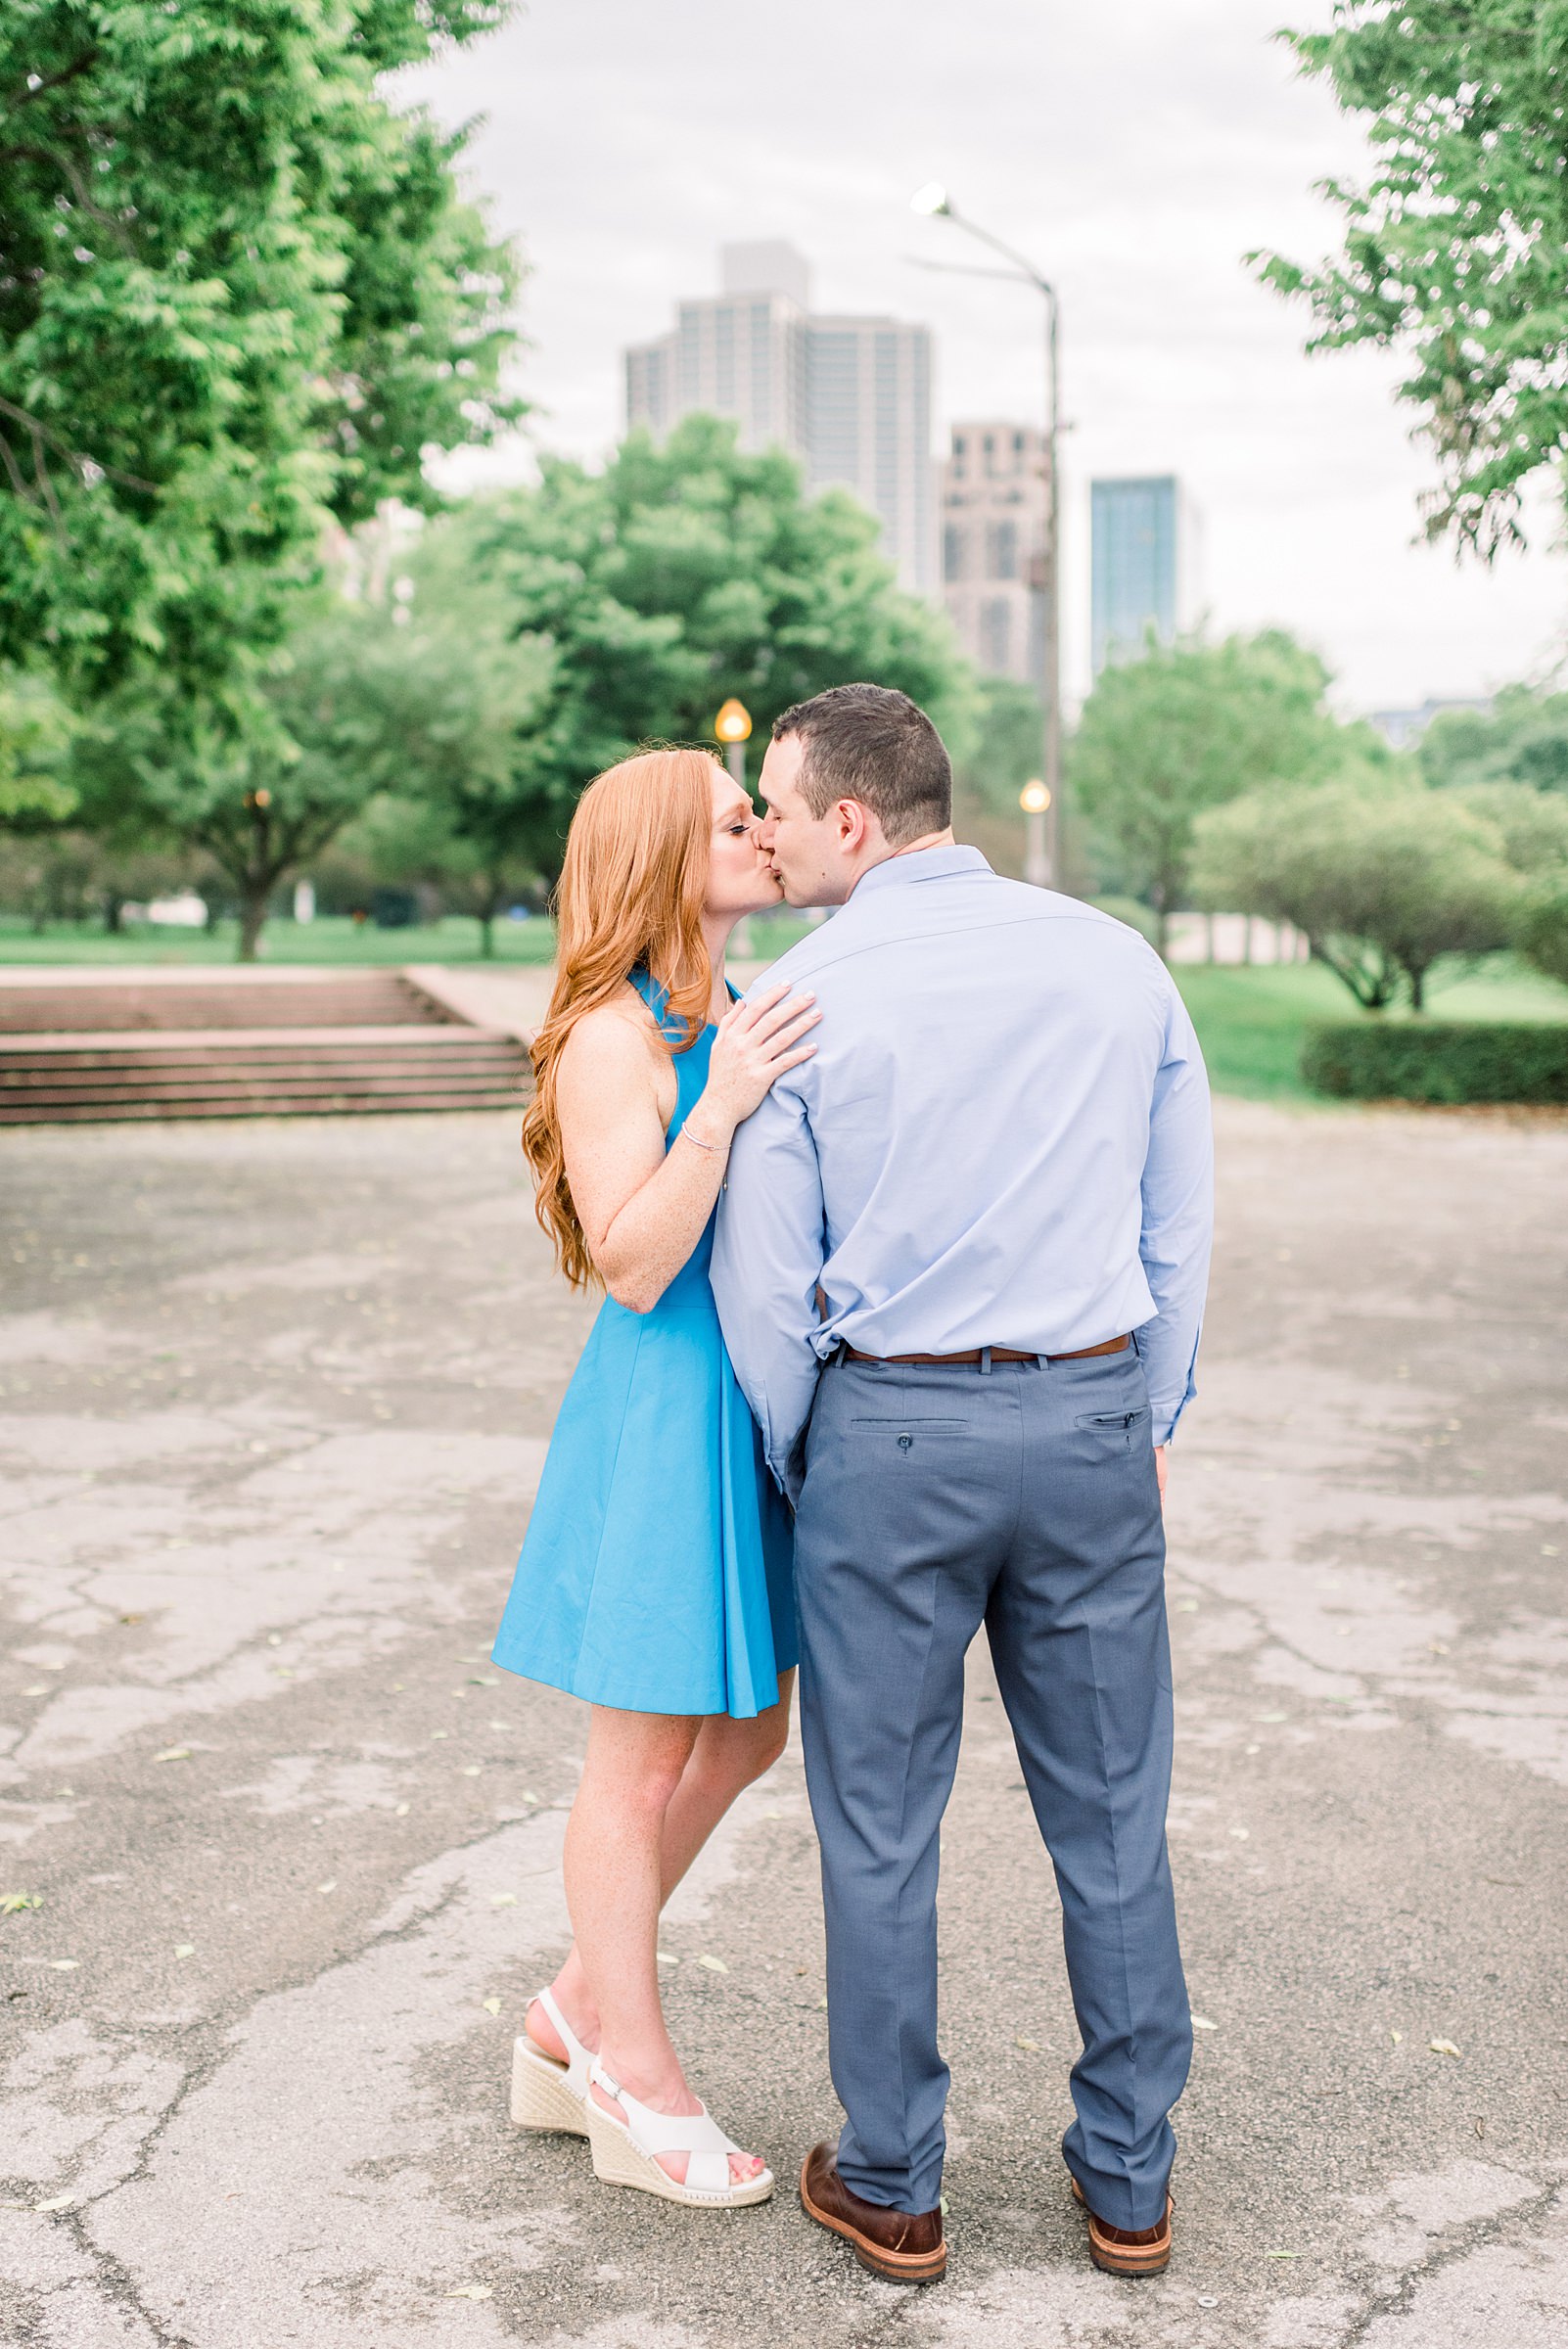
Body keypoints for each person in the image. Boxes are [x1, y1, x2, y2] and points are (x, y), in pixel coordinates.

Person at [710, 684, 1213, 2285]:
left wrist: (814, 1452)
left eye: (774, 810)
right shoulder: (1112, 959)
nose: (763, 837)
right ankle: (1127, 2186)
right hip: (1084, 1424)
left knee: (876, 1827)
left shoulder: (795, 997)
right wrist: (1143, 1407)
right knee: (1113, 1818)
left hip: (887, 1437)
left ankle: (893, 2183)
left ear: (849, 820)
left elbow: (766, 1282)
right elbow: (1176, 1221)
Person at [493, 745, 818, 2210]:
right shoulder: (613, 1038)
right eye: (731, 816)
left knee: (747, 1732)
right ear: (652, 855)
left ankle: (572, 2004)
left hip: (756, 1407)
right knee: (633, 1764)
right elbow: (629, 1264)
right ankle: (631, 2072)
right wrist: (724, 1101)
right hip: (665, 1412)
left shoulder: (735, 1003)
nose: (760, 828)